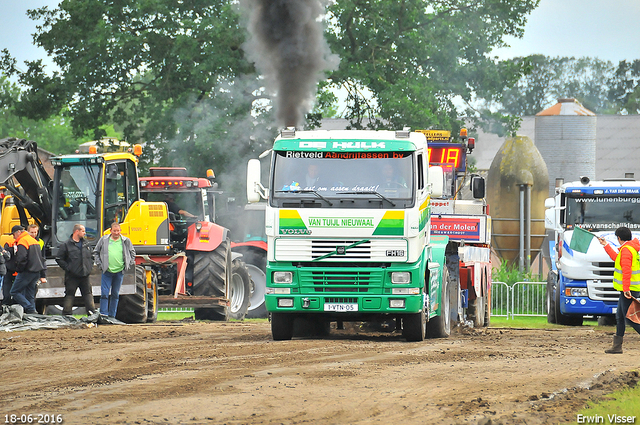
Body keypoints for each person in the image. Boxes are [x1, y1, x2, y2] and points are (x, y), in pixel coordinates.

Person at [598, 226, 640, 354]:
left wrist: (626, 289)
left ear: (619, 238)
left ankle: (617, 346)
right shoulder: (629, 249)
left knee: (629, 318)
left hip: (628, 289)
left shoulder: (626, 250)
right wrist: (605, 245)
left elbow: (626, 270)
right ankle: (617, 347)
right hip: (628, 289)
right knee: (620, 317)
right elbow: (616, 258)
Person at [93, 222, 136, 318]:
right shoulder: (104, 240)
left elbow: (132, 253)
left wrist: (128, 264)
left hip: (119, 272)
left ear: (120, 231)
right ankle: (104, 314)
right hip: (107, 271)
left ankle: (112, 315)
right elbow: (96, 252)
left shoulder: (126, 241)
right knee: (104, 294)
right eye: (114, 231)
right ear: (110, 231)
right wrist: (100, 265)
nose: (116, 233)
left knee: (115, 294)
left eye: (118, 231)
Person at [56, 224, 97, 316]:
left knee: (88, 295)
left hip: (85, 275)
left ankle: (92, 315)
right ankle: (67, 316)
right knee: (69, 296)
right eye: (83, 231)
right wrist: (68, 268)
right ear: (76, 231)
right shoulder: (66, 245)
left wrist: (89, 268)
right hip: (72, 276)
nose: (85, 233)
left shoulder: (87, 244)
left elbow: (92, 257)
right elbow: (59, 259)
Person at [9, 225, 47, 314]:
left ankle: (29, 308)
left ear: (18, 232)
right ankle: (33, 314)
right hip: (36, 272)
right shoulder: (34, 241)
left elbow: (22, 258)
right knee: (30, 294)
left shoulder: (23, 241)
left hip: (26, 271)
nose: (13, 237)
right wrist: (42, 274)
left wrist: (19, 270)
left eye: (13, 234)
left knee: (14, 292)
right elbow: (41, 258)